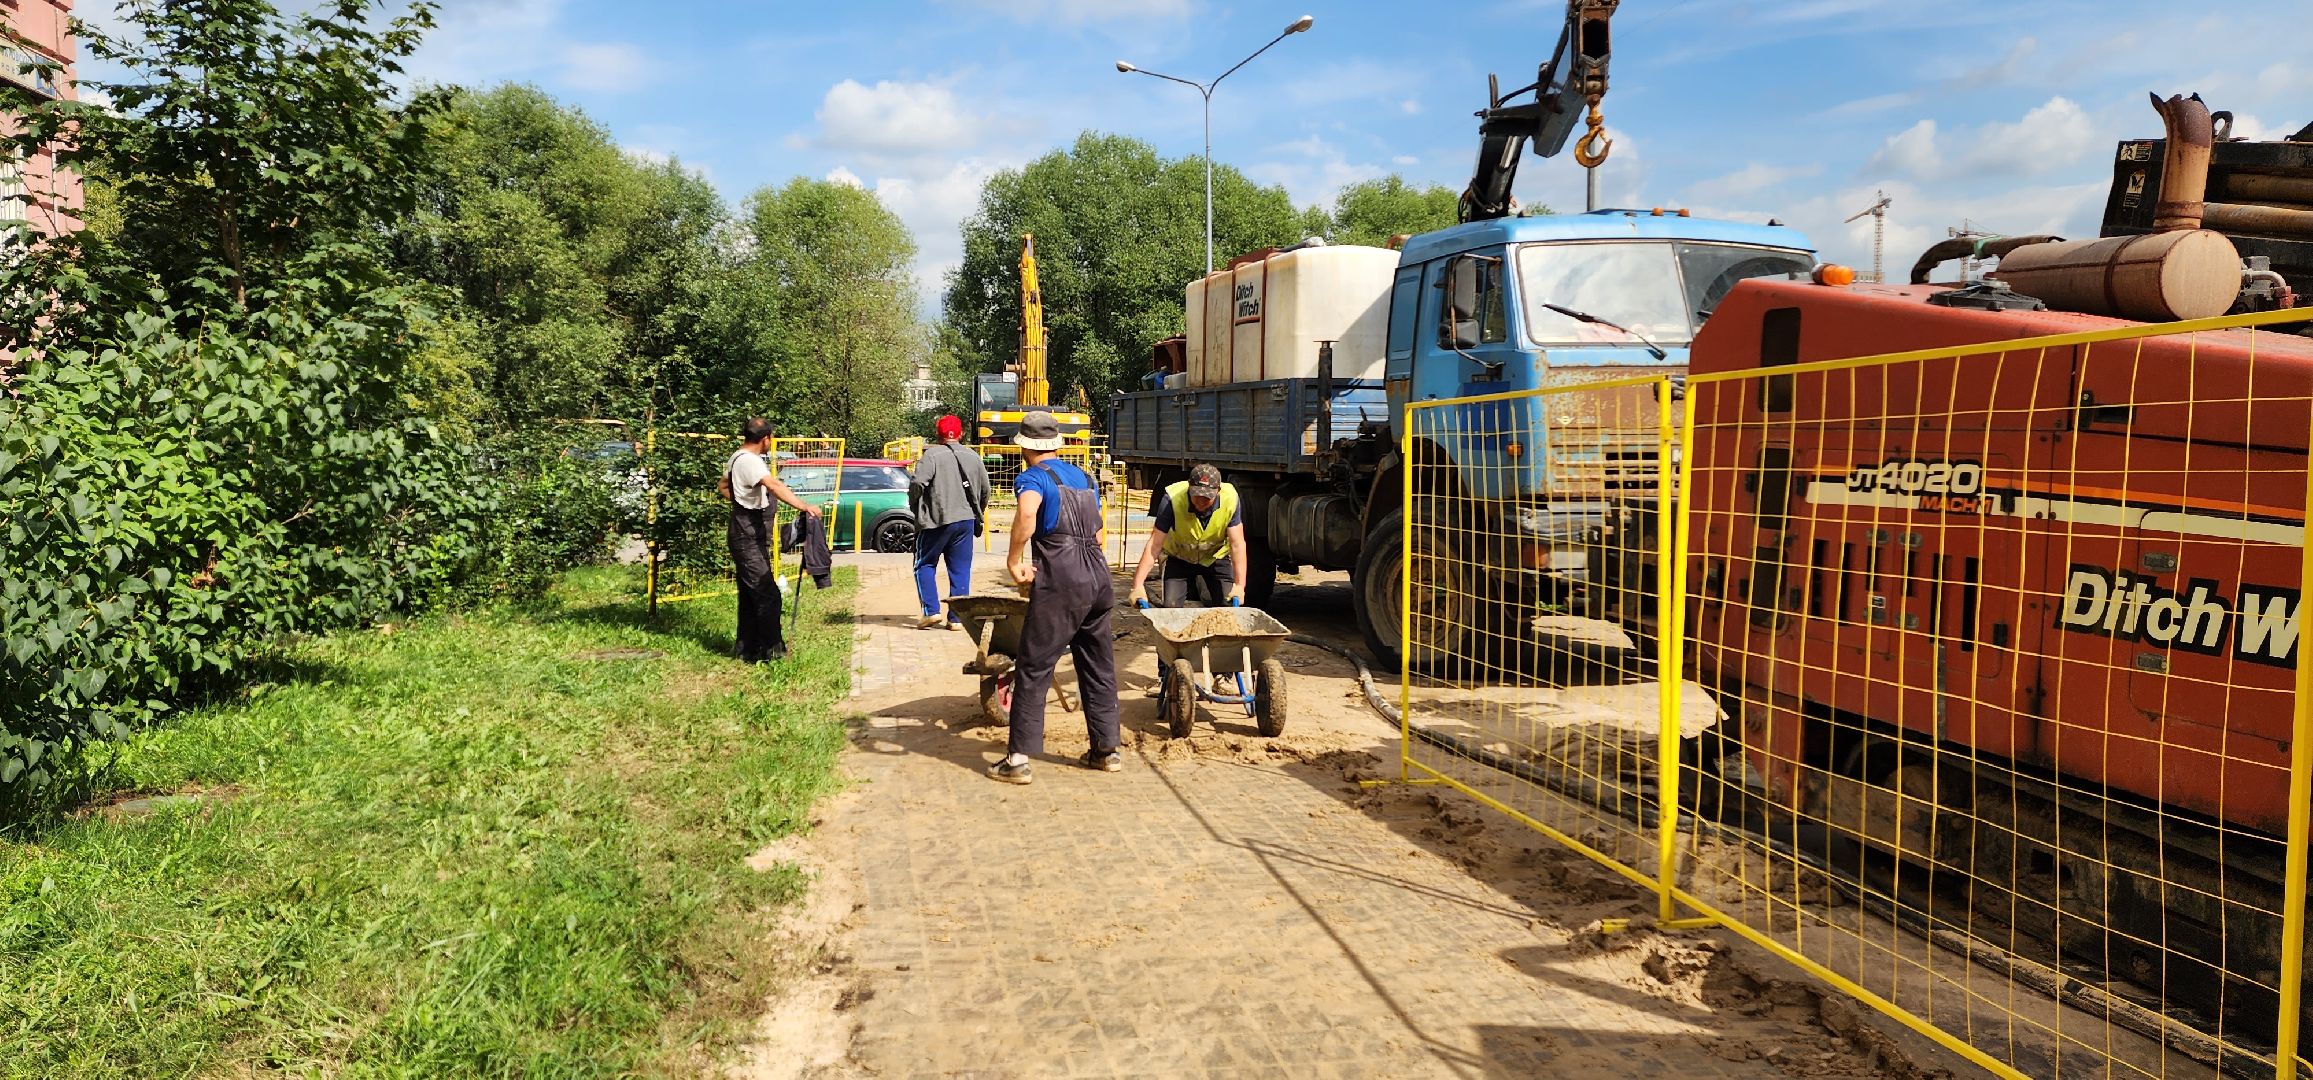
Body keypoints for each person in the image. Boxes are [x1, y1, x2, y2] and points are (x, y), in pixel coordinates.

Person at [987, 411, 1121, 785]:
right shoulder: (1085, 477)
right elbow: (1096, 533)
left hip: (1062, 578)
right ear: (1056, 444)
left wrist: (1014, 561)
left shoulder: (1031, 478)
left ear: (1024, 447)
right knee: (1098, 666)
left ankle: (1016, 760)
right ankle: (1106, 750)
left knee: (1034, 666)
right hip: (1098, 577)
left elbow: (1027, 514)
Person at [720, 418, 821, 663]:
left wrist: (741, 501)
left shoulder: (736, 458)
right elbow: (774, 486)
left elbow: (723, 486)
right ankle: (772, 652)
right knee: (767, 595)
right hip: (748, 537)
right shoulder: (750, 461)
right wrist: (805, 506)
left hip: (745, 533)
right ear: (766, 438)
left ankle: (747, 650)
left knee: (749, 595)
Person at [907, 414, 990, 630]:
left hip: (937, 520)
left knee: (924, 564)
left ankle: (931, 611)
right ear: (961, 434)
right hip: (965, 521)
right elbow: (985, 491)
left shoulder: (932, 456)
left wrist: (916, 506)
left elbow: (918, 483)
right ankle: (956, 619)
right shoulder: (973, 457)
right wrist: (976, 512)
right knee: (960, 568)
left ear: (938, 434)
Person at [1127, 463, 1247, 609]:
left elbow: (1237, 544)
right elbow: (1155, 544)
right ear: (1189, 487)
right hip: (1180, 559)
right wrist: (1137, 585)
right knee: (1171, 608)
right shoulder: (1172, 499)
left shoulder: (1230, 499)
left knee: (1226, 603)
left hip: (1214, 559)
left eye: (1207, 498)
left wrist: (1240, 585)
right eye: (1196, 496)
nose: (1201, 502)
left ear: (1218, 491)